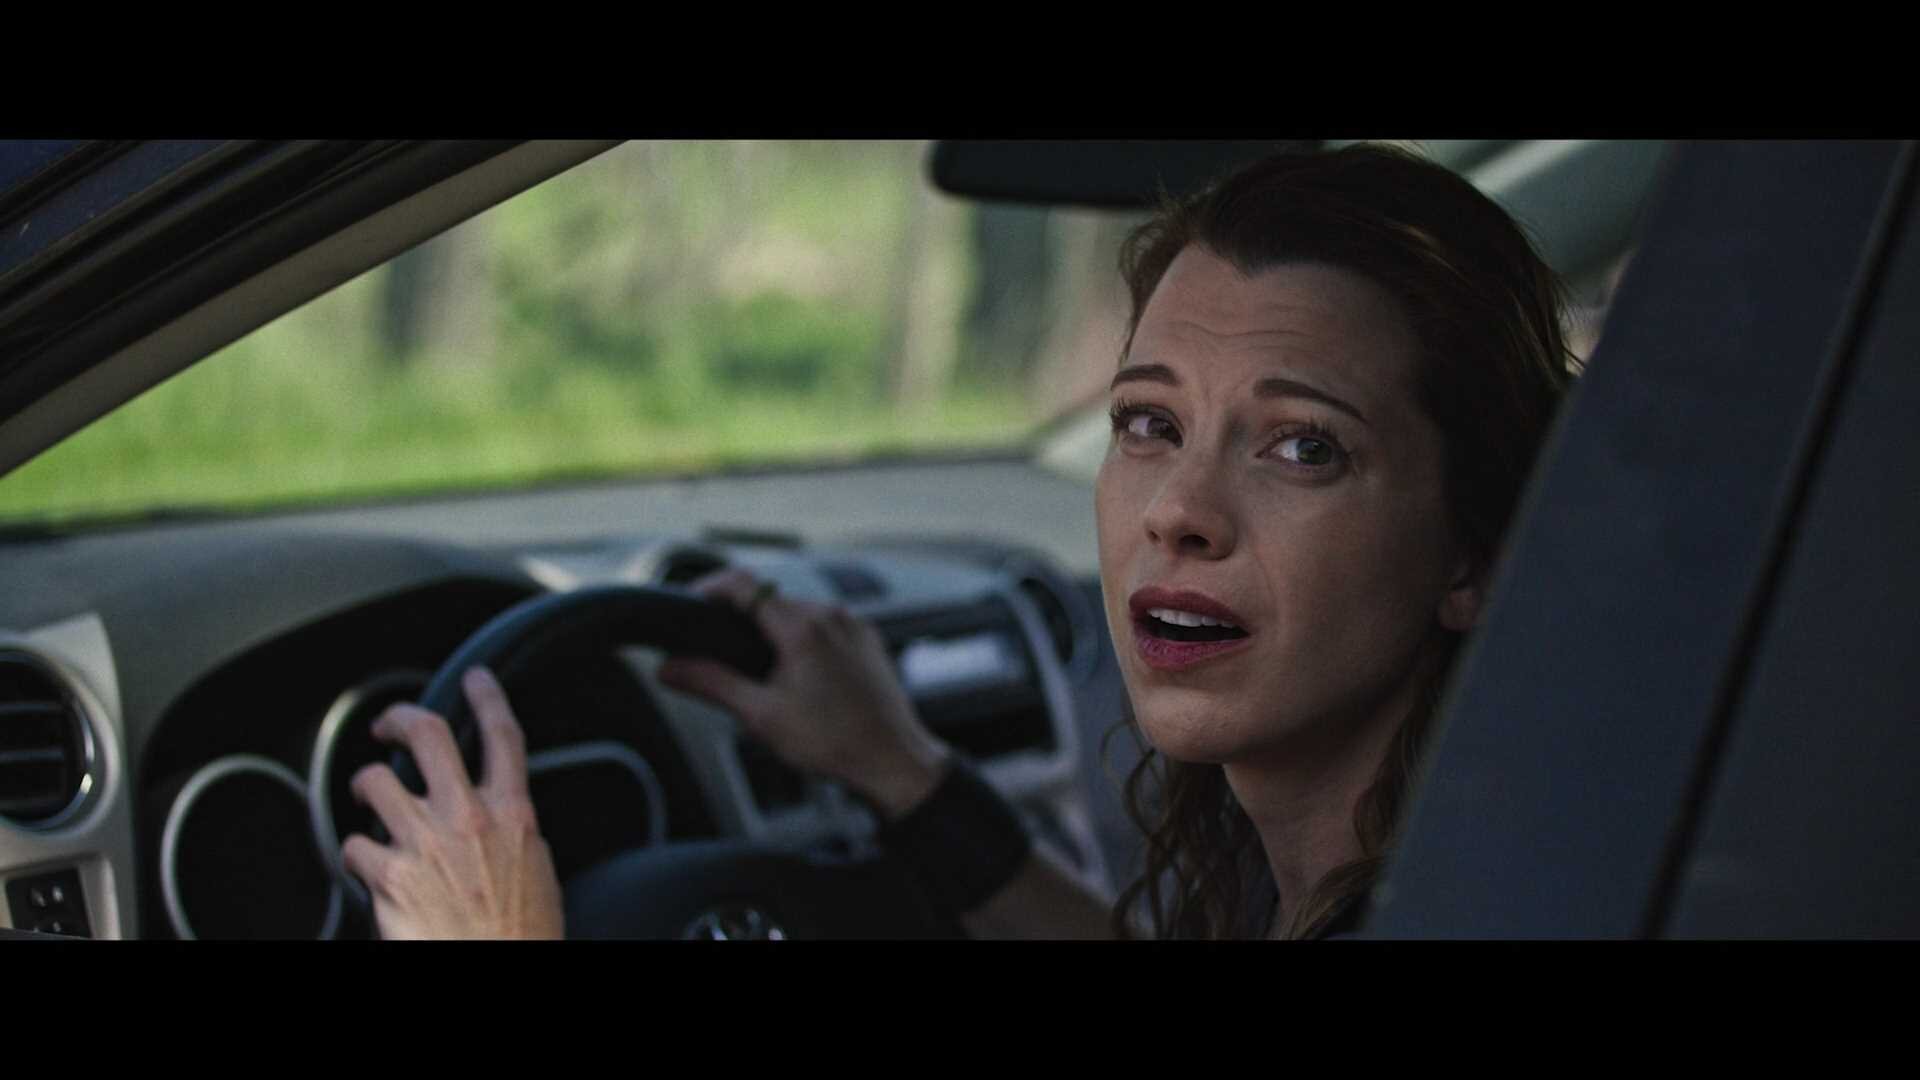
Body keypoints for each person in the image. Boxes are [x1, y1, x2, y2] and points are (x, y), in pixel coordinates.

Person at [339, 143, 1577, 940]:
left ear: (1473, 553)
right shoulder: (1409, 863)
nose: (1178, 509)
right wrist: (903, 774)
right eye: (1149, 423)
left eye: (1303, 447)